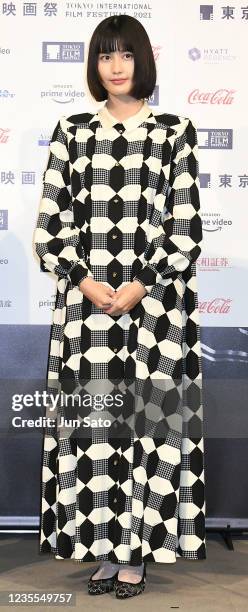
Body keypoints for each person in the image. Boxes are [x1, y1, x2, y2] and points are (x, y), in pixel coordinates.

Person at [33, 14, 206, 600]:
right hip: (86, 314)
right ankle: (101, 551)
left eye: (126, 55)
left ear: (142, 61)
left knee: (148, 430)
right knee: (94, 431)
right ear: (94, 63)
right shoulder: (72, 130)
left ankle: (138, 555)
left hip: (156, 313)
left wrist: (142, 285)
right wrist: (84, 281)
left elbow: (185, 229)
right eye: (106, 55)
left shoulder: (175, 131)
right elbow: (50, 227)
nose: (115, 66)